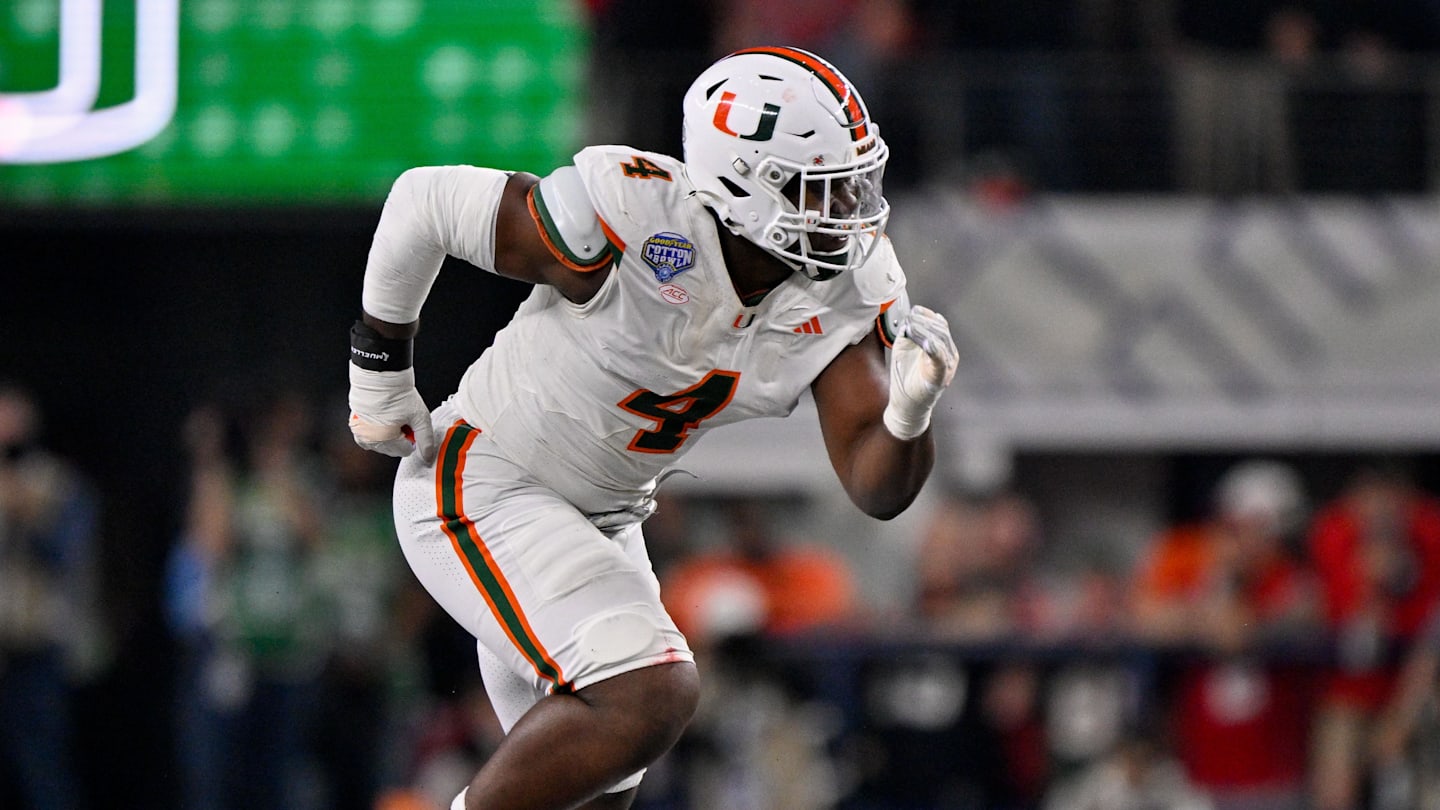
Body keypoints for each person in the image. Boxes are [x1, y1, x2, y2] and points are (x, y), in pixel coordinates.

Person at [345, 46, 959, 810]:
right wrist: (379, 373)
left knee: (602, 787)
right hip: (486, 483)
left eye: (852, 185)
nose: (847, 213)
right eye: (819, 191)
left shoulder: (844, 289)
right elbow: (423, 201)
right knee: (650, 693)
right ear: (742, 182)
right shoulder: (632, 217)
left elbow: (878, 486)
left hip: (603, 521)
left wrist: (910, 410)